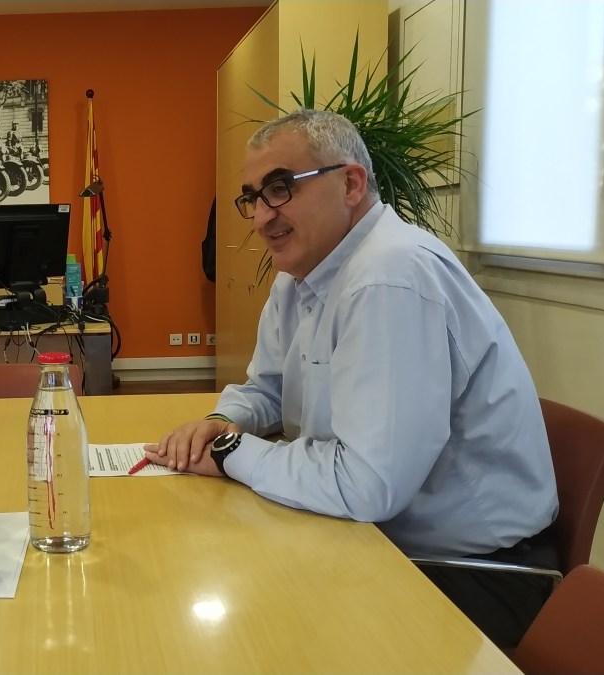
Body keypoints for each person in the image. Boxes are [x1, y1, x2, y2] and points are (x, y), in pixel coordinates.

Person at [144, 109, 558, 649]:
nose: (262, 218)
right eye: (253, 198)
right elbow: (267, 388)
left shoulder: (389, 276)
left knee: (244, 633)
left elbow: (367, 485)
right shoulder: (301, 276)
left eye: (280, 189)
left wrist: (229, 453)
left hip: (466, 573)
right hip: (370, 537)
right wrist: (222, 421)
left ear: (351, 184)